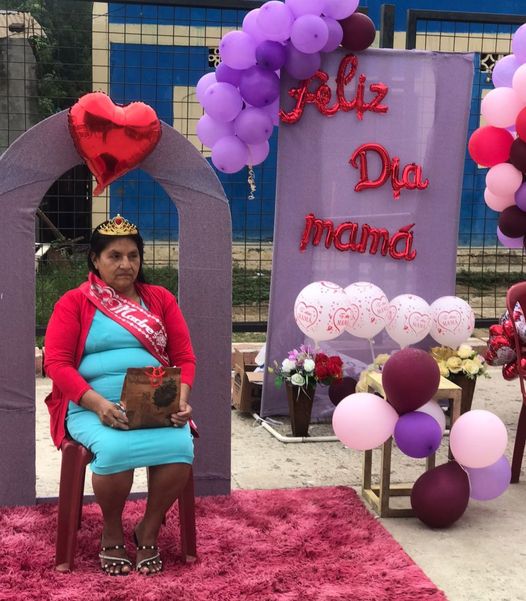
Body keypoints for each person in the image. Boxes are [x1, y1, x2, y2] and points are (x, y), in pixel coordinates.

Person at [44, 214, 196, 576]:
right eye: (114, 256)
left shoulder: (160, 299)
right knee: (114, 450)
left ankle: (148, 528)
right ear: (95, 260)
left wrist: (180, 399)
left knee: (180, 446)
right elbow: (56, 363)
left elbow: (185, 358)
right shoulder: (74, 302)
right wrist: (97, 404)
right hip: (89, 406)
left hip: (154, 403)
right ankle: (111, 529)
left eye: (133, 255)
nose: (125, 264)